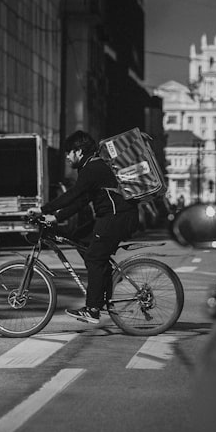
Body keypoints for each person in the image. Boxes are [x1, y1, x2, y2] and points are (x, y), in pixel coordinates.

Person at [34, 130, 138, 324]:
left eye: (68, 152)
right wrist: (56, 217)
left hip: (117, 217)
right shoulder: (90, 167)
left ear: (79, 151)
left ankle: (92, 309)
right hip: (113, 216)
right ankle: (104, 280)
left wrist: (43, 209)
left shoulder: (93, 168)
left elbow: (73, 194)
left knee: (94, 258)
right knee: (80, 237)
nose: (66, 156)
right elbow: (82, 200)